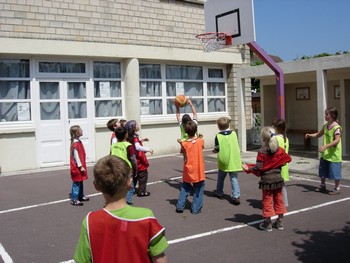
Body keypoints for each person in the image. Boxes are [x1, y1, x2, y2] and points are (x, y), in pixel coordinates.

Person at [74, 155, 169, 263]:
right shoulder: (146, 217)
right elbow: (159, 258)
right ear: (129, 183)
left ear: (96, 186)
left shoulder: (89, 221)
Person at [242, 127, 291, 231]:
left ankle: (268, 223)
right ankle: (280, 222)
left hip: (267, 181)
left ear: (263, 139)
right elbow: (287, 159)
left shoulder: (262, 151)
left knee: (267, 201)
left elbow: (259, 166)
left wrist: (248, 168)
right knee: (279, 200)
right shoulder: (279, 150)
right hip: (278, 179)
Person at [305, 106, 342, 195]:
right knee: (323, 169)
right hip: (326, 154)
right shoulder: (326, 126)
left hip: (334, 154)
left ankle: (337, 188)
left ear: (332, 115)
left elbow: (337, 140)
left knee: (335, 171)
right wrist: (310, 135)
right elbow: (318, 134)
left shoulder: (336, 127)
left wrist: (326, 146)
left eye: (326, 114)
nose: (325, 116)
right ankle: (322, 185)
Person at [176, 121, 205, 214]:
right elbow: (200, 144)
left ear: (185, 132)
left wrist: (181, 144)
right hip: (198, 170)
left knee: (185, 187)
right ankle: (195, 209)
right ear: (196, 130)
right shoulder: (200, 141)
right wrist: (199, 137)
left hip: (188, 168)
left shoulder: (184, 143)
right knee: (199, 189)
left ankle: (180, 206)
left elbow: (184, 153)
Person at [212, 117, 242, 205]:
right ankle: (236, 196)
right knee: (234, 179)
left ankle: (219, 192)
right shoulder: (234, 133)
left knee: (221, 178)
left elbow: (217, 148)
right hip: (234, 159)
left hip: (223, 160)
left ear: (218, 126)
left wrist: (214, 151)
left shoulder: (218, 136)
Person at [125, 120, 153, 197]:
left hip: (133, 158)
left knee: (135, 175)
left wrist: (143, 140)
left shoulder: (130, 137)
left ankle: (131, 189)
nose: (138, 125)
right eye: (136, 124)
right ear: (133, 127)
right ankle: (142, 191)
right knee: (143, 176)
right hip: (139, 159)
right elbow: (137, 147)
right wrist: (148, 149)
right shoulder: (135, 137)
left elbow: (135, 144)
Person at [110, 126, 137, 205]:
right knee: (130, 188)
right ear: (126, 135)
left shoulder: (113, 146)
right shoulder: (128, 145)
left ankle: (116, 202)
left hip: (116, 169)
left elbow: (110, 157)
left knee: (119, 187)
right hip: (126, 169)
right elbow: (133, 160)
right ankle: (126, 204)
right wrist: (135, 171)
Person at [69, 125, 89, 206]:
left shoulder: (78, 142)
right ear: (77, 133)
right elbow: (76, 157)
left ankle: (80, 196)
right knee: (76, 183)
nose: (82, 131)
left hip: (80, 166)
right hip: (77, 167)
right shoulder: (75, 144)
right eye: (81, 130)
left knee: (80, 181)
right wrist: (80, 166)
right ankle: (74, 199)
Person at [272, 118, 290, 206]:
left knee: (275, 187)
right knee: (282, 186)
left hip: (277, 166)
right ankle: (284, 203)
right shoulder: (286, 139)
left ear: (276, 128)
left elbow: (273, 151)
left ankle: (278, 204)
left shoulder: (275, 139)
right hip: (284, 165)